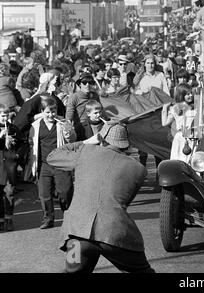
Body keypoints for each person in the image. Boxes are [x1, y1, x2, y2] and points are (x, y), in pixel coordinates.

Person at [47, 124, 154, 273]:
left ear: (101, 139)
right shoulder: (139, 169)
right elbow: (125, 202)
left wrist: (85, 142)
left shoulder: (85, 152)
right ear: (125, 144)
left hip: (77, 236)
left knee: (72, 271)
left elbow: (52, 156)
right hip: (116, 236)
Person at [29, 97, 76, 229]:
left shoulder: (62, 123)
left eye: (53, 111)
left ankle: (68, 215)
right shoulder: (36, 126)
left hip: (60, 163)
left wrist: (69, 131)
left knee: (65, 192)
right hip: (44, 164)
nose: (51, 115)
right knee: (44, 194)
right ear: (42, 111)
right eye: (48, 112)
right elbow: (32, 144)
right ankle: (48, 219)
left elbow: (72, 140)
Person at [0, 105, 25, 232]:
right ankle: (1, 219)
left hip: (9, 165)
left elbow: (23, 143)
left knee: (9, 192)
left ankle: (9, 218)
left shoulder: (13, 128)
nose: (5, 118)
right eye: (2, 115)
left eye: (7, 115)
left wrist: (17, 155)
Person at [161, 84, 196, 163]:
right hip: (181, 138)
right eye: (187, 94)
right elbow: (164, 123)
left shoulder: (196, 106)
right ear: (181, 95)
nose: (191, 95)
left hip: (194, 138)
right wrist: (164, 108)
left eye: (191, 93)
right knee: (179, 162)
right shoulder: (175, 108)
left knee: (193, 163)